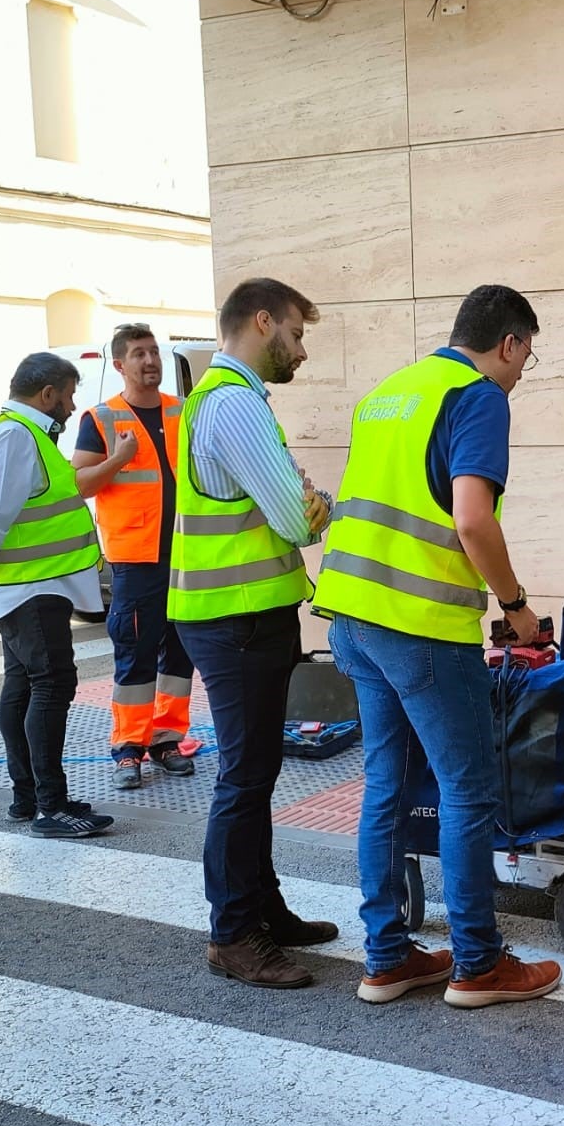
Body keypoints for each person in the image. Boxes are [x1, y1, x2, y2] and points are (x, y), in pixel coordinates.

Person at [314, 284, 562, 1010]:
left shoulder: (389, 393)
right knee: (467, 790)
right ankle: (479, 964)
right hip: (420, 625)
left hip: (352, 618)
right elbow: (472, 520)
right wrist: (516, 607)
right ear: (510, 343)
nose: (521, 370)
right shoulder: (478, 395)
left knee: (385, 788)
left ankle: (387, 958)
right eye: (527, 355)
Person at [169, 277, 339, 990]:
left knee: (257, 771)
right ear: (262, 322)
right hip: (234, 621)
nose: (301, 351)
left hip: (241, 618)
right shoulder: (235, 404)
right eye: (296, 334)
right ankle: (233, 933)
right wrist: (319, 502)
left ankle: (261, 909)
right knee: (243, 776)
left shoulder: (227, 400)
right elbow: (298, 519)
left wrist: (302, 497)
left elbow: (285, 506)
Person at [0, 353, 113, 840]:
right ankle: (50, 805)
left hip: (36, 586)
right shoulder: (15, 437)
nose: (70, 406)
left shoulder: (22, 436)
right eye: (67, 395)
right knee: (51, 685)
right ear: (47, 394)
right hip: (30, 589)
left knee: (23, 685)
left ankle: (30, 799)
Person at [71, 322, 195, 792]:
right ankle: (128, 749)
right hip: (136, 558)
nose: (150, 362)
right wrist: (119, 459)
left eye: (154, 353)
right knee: (136, 655)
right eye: (139, 354)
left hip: (186, 554)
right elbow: (80, 484)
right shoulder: (101, 419)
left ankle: (167, 740)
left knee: (180, 654)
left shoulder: (182, 411)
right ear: (120, 365)